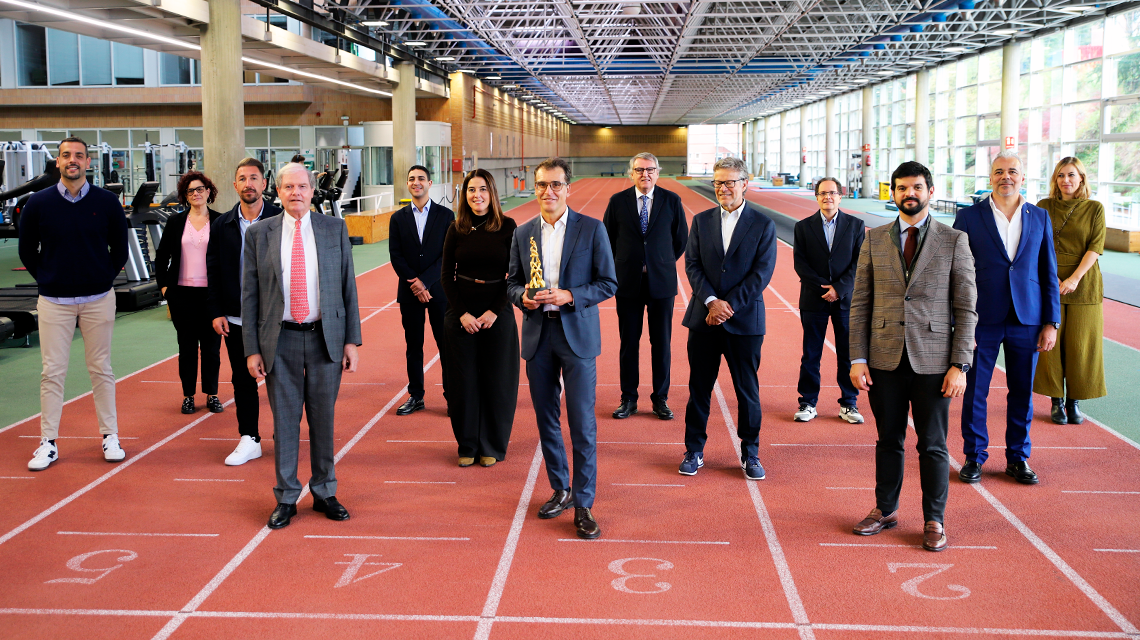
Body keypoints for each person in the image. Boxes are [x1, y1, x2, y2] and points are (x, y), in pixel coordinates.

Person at [849, 161, 977, 552]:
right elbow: (860, 303)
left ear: (930, 191)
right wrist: (857, 357)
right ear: (893, 193)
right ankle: (885, 509)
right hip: (884, 358)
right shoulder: (873, 240)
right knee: (888, 439)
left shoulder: (954, 240)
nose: (910, 194)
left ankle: (933, 519)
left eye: (917, 187)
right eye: (902, 187)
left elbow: (966, 308)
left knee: (933, 444)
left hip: (935, 363)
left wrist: (960, 364)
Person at [242, 163, 362, 529]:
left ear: (312, 191)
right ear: (277, 192)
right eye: (289, 187)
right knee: (285, 422)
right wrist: (251, 349)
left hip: (326, 336)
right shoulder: (259, 234)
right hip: (280, 340)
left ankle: (325, 490)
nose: (296, 192)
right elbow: (249, 295)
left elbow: (348, 286)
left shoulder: (334, 228)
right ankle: (287, 496)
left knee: (323, 420)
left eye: (303, 186)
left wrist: (352, 340)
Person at [507, 157, 617, 539]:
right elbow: (511, 283)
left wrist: (570, 294)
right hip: (539, 335)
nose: (548, 192)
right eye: (541, 185)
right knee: (545, 418)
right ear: (534, 188)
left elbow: (608, 282)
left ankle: (584, 502)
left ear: (568, 189)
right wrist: (524, 297)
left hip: (577, 336)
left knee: (582, 421)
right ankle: (561, 488)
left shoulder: (592, 229)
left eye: (555, 185)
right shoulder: (522, 233)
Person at [19, 137, 128, 471]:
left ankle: (110, 436)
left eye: (79, 156)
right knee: (52, 373)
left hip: (98, 299)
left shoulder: (107, 202)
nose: (73, 161)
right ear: (58, 162)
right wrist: (49, 279)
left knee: (101, 370)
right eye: (66, 155)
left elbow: (119, 249)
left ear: (88, 162)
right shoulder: (38, 203)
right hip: (54, 301)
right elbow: (27, 250)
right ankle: (48, 443)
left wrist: (102, 278)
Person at [953, 150, 1059, 486]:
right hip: (981, 318)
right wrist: (960, 322)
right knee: (975, 391)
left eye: (1012, 171)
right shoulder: (968, 217)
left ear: (1022, 177)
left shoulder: (1040, 217)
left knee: (1022, 392)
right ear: (990, 177)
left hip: (1027, 318)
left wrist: (1051, 322)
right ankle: (974, 456)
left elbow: (1048, 272)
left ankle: (1018, 457)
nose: (1005, 177)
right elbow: (957, 272)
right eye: (999, 171)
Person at [679, 157, 776, 480]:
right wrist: (710, 302)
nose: (723, 188)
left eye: (730, 182)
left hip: (744, 321)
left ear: (745, 184)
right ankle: (693, 450)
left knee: (747, 391)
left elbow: (760, 274)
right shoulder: (702, 220)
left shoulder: (763, 224)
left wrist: (727, 306)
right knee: (699, 389)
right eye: (718, 182)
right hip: (704, 319)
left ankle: (751, 452)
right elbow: (692, 264)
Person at [207, 157, 282, 466]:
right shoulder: (222, 225)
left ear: (264, 184)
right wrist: (216, 311)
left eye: (254, 177)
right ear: (235, 185)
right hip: (237, 317)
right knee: (242, 379)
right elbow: (212, 270)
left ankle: (286, 434)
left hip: (278, 317)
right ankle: (249, 437)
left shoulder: (282, 218)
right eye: (243, 178)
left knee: (282, 379)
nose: (249, 183)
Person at [441, 169, 519, 467]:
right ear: (465, 195)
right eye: (471, 190)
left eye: (483, 189)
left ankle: (492, 445)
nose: (477, 195)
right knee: (463, 383)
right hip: (461, 315)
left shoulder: (508, 227)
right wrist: (462, 313)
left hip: (496, 313)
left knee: (497, 382)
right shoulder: (456, 228)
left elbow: (515, 275)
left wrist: (492, 312)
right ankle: (468, 445)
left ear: (493, 193)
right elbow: (447, 276)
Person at [602, 152, 688, 420]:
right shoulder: (617, 202)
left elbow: (680, 239)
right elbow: (607, 239)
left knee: (661, 342)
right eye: (639, 170)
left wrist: (659, 262)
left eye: (650, 170)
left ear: (658, 172)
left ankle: (660, 399)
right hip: (627, 282)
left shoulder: (672, 201)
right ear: (631, 173)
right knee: (629, 342)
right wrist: (628, 262)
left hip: (661, 283)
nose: (645, 174)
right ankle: (628, 399)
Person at [1034, 157, 1107, 424]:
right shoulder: (1043, 206)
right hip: (1048, 283)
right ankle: (1056, 402)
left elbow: (1095, 247)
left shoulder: (1094, 208)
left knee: (1080, 346)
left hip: (1084, 285)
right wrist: (1051, 278)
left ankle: (1074, 400)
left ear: (1082, 179)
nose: (1066, 180)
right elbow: (1035, 243)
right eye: (1061, 175)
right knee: (1050, 345)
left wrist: (1074, 279)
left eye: (1072, 175)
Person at [792, 177, 866, 424]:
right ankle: (808, 402)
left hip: (846, 301)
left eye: (832, 193)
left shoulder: (856, 225)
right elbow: (800, 264)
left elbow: (860, 263)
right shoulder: (802, 227)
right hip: (814, 299)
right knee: (811, 354)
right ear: (816, 197)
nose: (828, 197)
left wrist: (840, 288)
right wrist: (824, 288)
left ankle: (849, 403)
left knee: (847, 354)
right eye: (823, 193)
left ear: (840, 196)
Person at [155, 171, 223, 416]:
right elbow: (161, 258)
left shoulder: (220, 221)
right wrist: (165, 289)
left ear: (208, 191)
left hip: (211, 296)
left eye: (200, 189)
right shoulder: (175, 223)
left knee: (211, 348)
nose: (196, 194)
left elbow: (226, 260)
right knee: (186, 348)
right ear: (185, 196)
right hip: (182, 295)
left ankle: (212, 394)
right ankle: (188, 396)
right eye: (190, 191)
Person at [390, 165, 454, 416]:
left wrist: (425, 282)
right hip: (409, 293)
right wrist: (414, 283)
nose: (416, 182)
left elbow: (447, 256)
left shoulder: (446, 216)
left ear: (430, 182)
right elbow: (396, 256)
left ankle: (452, 396)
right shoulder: (398, 218)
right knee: (413, 346)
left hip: (438, 291)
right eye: (411, 179)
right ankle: (416, 396)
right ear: (408, 184)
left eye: (420, 179)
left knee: (445, 345)